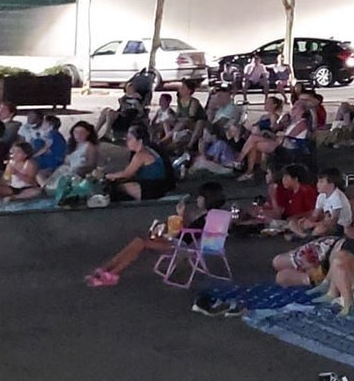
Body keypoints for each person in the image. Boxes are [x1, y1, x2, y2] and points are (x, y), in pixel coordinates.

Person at [85, 182, 228, 287]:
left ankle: (112, 273)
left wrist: (180, 219)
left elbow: (190, 235)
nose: (198, 199)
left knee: (141, 242)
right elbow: (189, 231)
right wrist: (181, 217)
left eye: (201, 197)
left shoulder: (210, 217)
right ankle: (107, 269)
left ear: (207, 199)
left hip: (181, 247)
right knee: (139, 239)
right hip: (178, 241)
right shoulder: (206, 215)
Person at [105, 126, 174, 201]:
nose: (127, 142)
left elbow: (127, 173)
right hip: (160, 186)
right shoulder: (149, 150)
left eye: (130, 139)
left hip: (152, 189)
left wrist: (109, 176)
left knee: (118, 188)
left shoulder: (140, 155)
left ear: (140, 141)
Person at [289, 168, 352, 237]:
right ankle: (304, 235)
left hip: (339, 227)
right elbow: (315, 215)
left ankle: (304, 236)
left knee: (320, 229)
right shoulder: (321, 196)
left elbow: (333, 222)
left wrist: (313, 224)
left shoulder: (337, 197)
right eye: (318, 181)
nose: (317, 184)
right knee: (292, 222)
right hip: (324, 222)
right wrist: (307, 222)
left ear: (331, 184)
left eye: (321, 182)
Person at [42, 120, 101, 191]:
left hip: (78, 172)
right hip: (65, 169)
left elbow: (92, 165)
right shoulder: (72, 145)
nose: (78, 135)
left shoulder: (89, 146)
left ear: (88, 133)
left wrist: (79, 170)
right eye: (76, 132)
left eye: (82, 133)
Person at [0, 101, 21, 167]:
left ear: (11, 113)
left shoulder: (15, 125)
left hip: (4, 149)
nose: (0, 111)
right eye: (0, 109)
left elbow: (6, 139)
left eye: (4, 109)